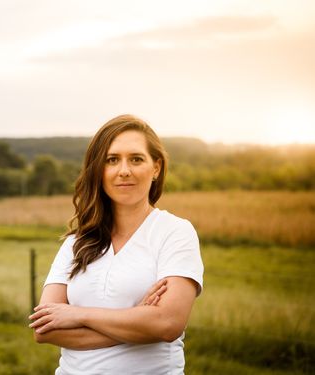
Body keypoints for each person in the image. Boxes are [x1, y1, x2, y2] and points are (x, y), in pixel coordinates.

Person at [29, 114, 204, 374]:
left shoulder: (175, 232)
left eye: (136, 159)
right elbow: (45, 330)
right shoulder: (76, 242)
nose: (124, 170)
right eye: (112, 160)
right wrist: (140, 320)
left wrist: (79, 315)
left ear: (156, 168)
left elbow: (167, 324)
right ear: (99, 170)